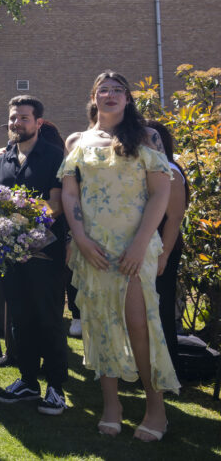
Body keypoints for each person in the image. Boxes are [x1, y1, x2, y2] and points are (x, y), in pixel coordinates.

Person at [59, 71, 178, 441]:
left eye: (117, 90)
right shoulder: (78, 140)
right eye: (103, 90)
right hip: (93, 248)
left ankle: (155, 409)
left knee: (140, 326)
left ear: (128, 99)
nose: (110, 95)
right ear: (94, 98)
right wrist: (79, 238)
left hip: (134, 246)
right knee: (98, 325)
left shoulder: (146, 137)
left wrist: (142, 244)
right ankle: (112, 406)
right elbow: (70, 194)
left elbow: (160, 194)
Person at [0, 97, 70, 415]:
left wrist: (24, 222)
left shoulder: (55, 156)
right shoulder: (2, 159)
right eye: (13, 118)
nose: (17, 123)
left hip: (44, 256)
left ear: (38, 123)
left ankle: (56, 387)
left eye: (24, 118)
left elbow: (57, 204)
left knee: (48, 321)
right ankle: (28, 381)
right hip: (11, 256)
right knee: (20, 320)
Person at [145, 120, 188, 369]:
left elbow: (175, 217)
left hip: (164, 248)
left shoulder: (170, 170)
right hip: (152, 248)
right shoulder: (153, 169)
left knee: (160, 308)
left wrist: (164, 254)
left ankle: (167, 367)